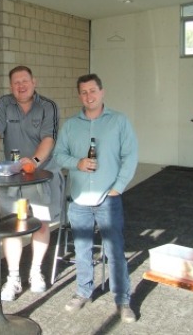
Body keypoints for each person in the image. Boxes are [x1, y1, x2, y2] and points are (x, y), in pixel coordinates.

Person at [53, 73, 138, 322]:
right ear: (79, 95)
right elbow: (58, 156)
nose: (88, 96)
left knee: (115, 250)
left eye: (93, 91)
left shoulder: (119, 121)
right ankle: (82, 292)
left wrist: (119, 187)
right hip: (79, 199)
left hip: (108, 198)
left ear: (102, 92)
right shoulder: (70, 125)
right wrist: (76, 163)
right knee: (82, 249)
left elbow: (130, 156)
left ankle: (123, 300)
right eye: (83, 92)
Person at [0, 65, 64, 301]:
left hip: (41, 175)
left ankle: (36, 271)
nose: (21, 86)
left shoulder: (47, 106)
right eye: (16, 82)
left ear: (34, 82)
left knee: (40, 224)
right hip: (13, 178)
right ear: (11, 86)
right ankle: (13, 277)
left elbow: (49, 138)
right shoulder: (4, 104)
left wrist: (35, 161)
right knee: (14, 227)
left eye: (25, 81)